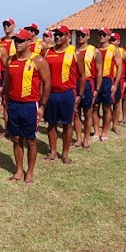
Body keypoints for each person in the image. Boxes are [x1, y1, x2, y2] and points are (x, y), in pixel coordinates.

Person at [3, 30, 50, 184]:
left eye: (21, 41)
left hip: (30, 105)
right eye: (15, 40)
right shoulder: (10, 60)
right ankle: (18, 170)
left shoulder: (38, 60)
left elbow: (47, 83)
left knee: (30, 140)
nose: (17, 43)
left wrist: (42, 105)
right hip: (14, 105)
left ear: (29, 42)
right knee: (16, 139)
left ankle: (29, 172)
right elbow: (7, 83)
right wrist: (5, 100)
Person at [42, 25, 84, 164]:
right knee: (51, 124)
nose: (58, 37)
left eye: (61, 34)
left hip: (67, 93)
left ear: (67, 36)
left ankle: (65, 154)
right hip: (51, 94)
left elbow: (82, 76)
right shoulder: (47, 52)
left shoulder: (75, 52)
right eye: (56, 35)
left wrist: (79, 95)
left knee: (67, 124)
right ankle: (53, 152)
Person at [74, 28, 102, 149]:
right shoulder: (72, 50)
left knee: (88, 112)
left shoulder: (95, 51)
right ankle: (78, 138)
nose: (80, 37)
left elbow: (99, 72)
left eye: (83, 35)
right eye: (78, 35)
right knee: (75, 112)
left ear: (88, 36)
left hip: (88, 83)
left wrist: (97, 89)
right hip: (75, 83)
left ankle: (86, 140)